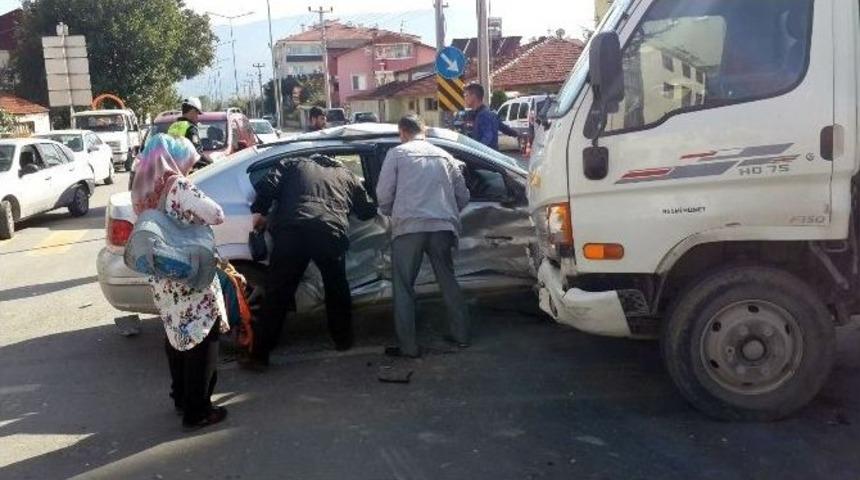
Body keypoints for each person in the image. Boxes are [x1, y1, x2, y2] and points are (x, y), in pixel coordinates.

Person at [242, 153, 377, 370]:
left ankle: (259, 356)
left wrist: (260, 211)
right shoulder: (348, 175)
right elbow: (366, 210)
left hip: (292, 232)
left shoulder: (292, 163)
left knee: (278, 293)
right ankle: (343, 340)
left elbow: (267, 185)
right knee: (337, 288)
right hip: (329, 232)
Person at [131, 133, 229, 431]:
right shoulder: (178, 186)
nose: (188, 167)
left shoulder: (143, 189)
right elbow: (216, 214)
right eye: (187, 161)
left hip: (164, 278)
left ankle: (181, 398)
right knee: (203, 339)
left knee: (176, 336)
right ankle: (198, 411)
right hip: (189, 274)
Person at [376, 114, 471, 358]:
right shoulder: (445, 156)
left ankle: (409, 347)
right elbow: (464, 196)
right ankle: (461, 336)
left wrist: (391, 213)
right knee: (448, 281)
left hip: (409, 228)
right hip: (442, 228)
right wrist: (446, 212)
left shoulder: (396, 154)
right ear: (424, 131)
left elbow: (383, 195)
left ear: (402, 132)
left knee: (404, 286)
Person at [463, 83, 521, 150]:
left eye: (466, 95)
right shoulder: (490, 114)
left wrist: (476, 151)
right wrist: (518, 134)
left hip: (484, 157)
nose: (465, 98)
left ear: (473, 96)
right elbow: (505, 129)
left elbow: (487, 137)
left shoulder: (483, 115)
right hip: (492, 156)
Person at [168, 97, 213, 167]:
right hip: (188, 170)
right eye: (197, 113)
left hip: (174, 168)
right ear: (192, 111)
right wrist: (212, 164)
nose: (198, 117)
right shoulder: (190, 128)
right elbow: (197, 154)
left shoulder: (173, 126)